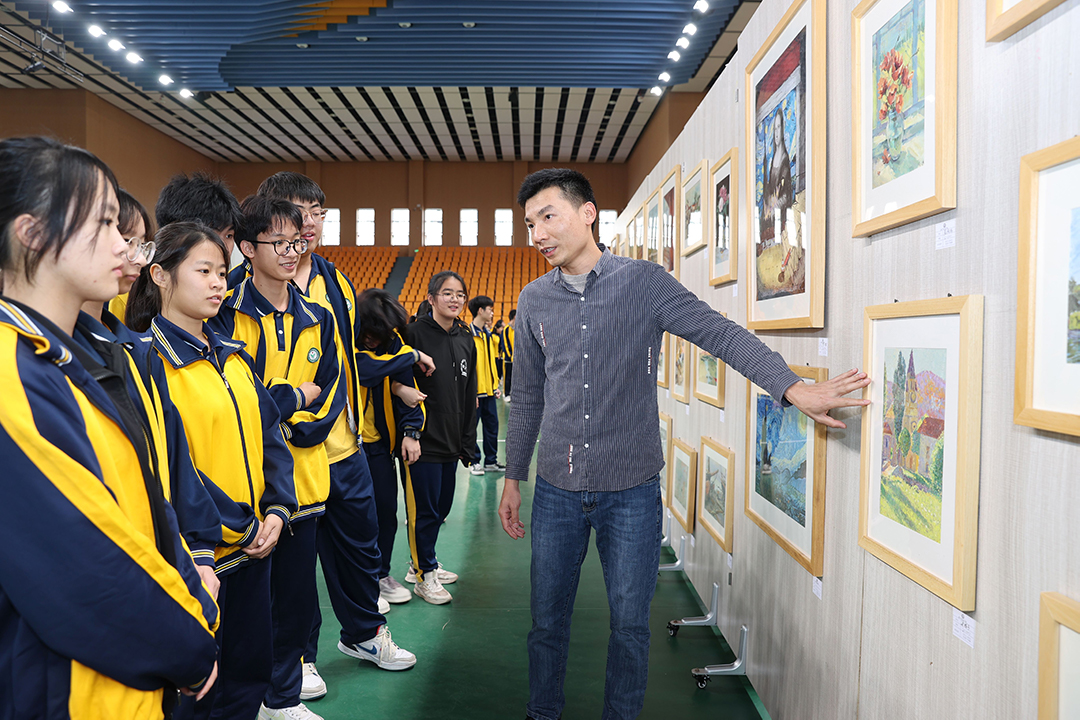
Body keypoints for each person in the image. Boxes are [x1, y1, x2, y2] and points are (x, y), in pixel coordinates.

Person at [499, 168, 871, 720]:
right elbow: (528, 395)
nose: (538, 234)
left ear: (587, 213)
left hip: (631, 490)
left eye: (548, 217)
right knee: (546, 622)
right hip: (556, 487)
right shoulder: (533, 301)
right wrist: (513, 477)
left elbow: (718, 332)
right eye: (530, 224)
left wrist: (791, 388)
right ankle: (542, 713)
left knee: (630, 626)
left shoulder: (644, 283)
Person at [0, 136, 218, 717]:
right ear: (32, 234)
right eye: (102, 223)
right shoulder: (11, 373)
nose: (124, 245)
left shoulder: (70, 355)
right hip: (71, 692)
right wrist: (191, 641)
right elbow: (89, 571)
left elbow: (144, 502)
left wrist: (193, 590)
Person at [252, 172, 424, 701]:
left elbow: (348, 362)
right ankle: (301, 658)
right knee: (295, 568)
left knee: (360, 549)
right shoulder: (243, 287)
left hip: (345, 445)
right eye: (299, 211)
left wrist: (396, 384)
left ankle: (364, 634)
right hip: (284, 453)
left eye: (318, 212)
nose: (310, 222)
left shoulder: (338, 281)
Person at [127, 222, 299, 719]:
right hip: (198, 562)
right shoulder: (145, 363)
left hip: (255, 551)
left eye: (222, 272)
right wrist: (241, 526)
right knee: (198, 694)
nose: (218, 283)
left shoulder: (233, 357)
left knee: (248, 677)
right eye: (203, 271)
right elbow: (171, 467)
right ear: (160, 275)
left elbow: (271, 438)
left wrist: (278, 509)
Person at [210, 195, 345, 720]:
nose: (292, 252)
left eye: (297, 242)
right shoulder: (224, 312)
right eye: (279, 243)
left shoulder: (320, 317)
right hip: (244, 491)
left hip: (304, 484)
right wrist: (290, 398)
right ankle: (240, 700)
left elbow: (330, 394)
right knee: (243, 613)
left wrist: (282, 420)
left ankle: (282, 698)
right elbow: (233, 401)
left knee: (294, 604)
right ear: (246, 248)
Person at [402, 271, 479, 604]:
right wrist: (410, 432)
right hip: (422, 440)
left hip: (452, 438)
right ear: (431, 298)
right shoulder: (412, 334)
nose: (454, 299)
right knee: (424, 510)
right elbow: (397, 384)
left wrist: (467, 440)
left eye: (460, 294)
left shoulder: (465, 337)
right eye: (447, 293)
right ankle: (425, 575)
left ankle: (422, 562)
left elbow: (469, 391)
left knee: (441, 509)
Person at [355, 289, 428, 605]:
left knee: (386, 513)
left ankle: (380, 574)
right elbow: (364, 369)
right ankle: (362, 580)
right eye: (371, 333)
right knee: (355, 517)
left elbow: (408, 387)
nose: (375, 339)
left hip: (379, 448)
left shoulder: (393, 343)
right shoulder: (344, 337)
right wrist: (412, 356)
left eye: (381, 334)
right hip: (344, 449)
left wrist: (411, 431)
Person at [467, 294, 503, 475]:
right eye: (490, 310)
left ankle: (491, 461)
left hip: (489, 391)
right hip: (475, 393)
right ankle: (473, 461)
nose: (492, 313)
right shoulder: (467, 335)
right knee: (471, 429)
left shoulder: (488, 335)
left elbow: (491, 363)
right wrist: (470, 392)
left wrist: (495, 385)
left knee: (492, 427)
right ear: (480, 311)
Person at [503, 308, 516, 401]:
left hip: (516, 358)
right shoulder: (507, 329)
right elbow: (505, 344)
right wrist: (510, 355)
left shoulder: (518, 329)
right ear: (514, 316)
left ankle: (513, 393)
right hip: (508, 358)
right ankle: (506, 393)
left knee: (514, 377)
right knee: (507, 377)